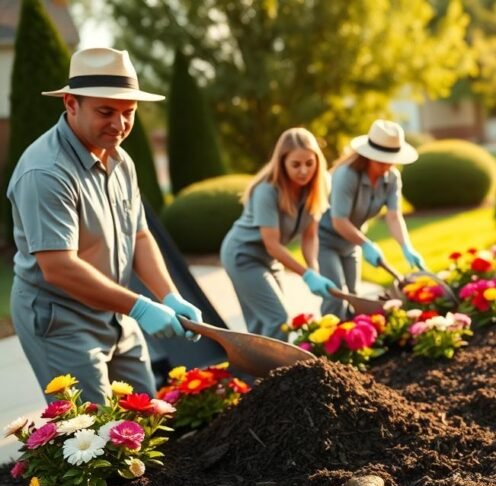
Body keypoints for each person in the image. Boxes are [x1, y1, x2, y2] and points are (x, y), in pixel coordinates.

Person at [7, 48, 202, 404]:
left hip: (115, 309)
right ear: (70, 103)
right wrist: (141, 308)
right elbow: (59, 268)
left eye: (128, 113)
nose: (119, 124)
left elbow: (140, 234)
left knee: (146, 416)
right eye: (106, 111)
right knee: (91, 435)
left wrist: (170, 296)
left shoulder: (121, 160)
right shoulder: (45, 171)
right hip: (61, 319)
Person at [220, 127, 335, 340]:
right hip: (242, 255)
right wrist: (306, 275)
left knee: (261, 323)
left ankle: (258, 371)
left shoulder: (317, 187)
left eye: (309, 163)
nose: (304, 171)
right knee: (277, 318)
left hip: (268, 258)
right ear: (282, 163)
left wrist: (314, 269)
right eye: (296, 164)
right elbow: (272, 244)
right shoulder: (267, 191)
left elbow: (310, 236)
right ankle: (276, 373)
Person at [318, 119, 425, 318]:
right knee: (335, 296)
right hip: (325, 240)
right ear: (368, 155)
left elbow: (393, 217)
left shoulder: (392, 178)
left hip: (352, 243)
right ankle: (325, 347)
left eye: (391, 159)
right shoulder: (346, 175)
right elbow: (339, 221)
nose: (387, 165)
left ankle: (352, 343)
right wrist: (366, 244)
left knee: (354, 297)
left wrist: (406, 247)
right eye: (381, 160)